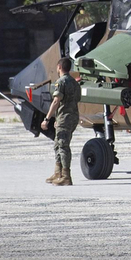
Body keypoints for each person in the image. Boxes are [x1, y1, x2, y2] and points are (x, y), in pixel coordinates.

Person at [44, 56, 81, 186]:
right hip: (72, 117)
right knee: (57, 144)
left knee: (63, 145)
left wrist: (47, 119)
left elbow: (56, 101)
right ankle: (57, 172)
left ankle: (66, 176)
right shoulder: (75, 83)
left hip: (65, 118)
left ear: (59, 67)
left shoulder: (61, 82)